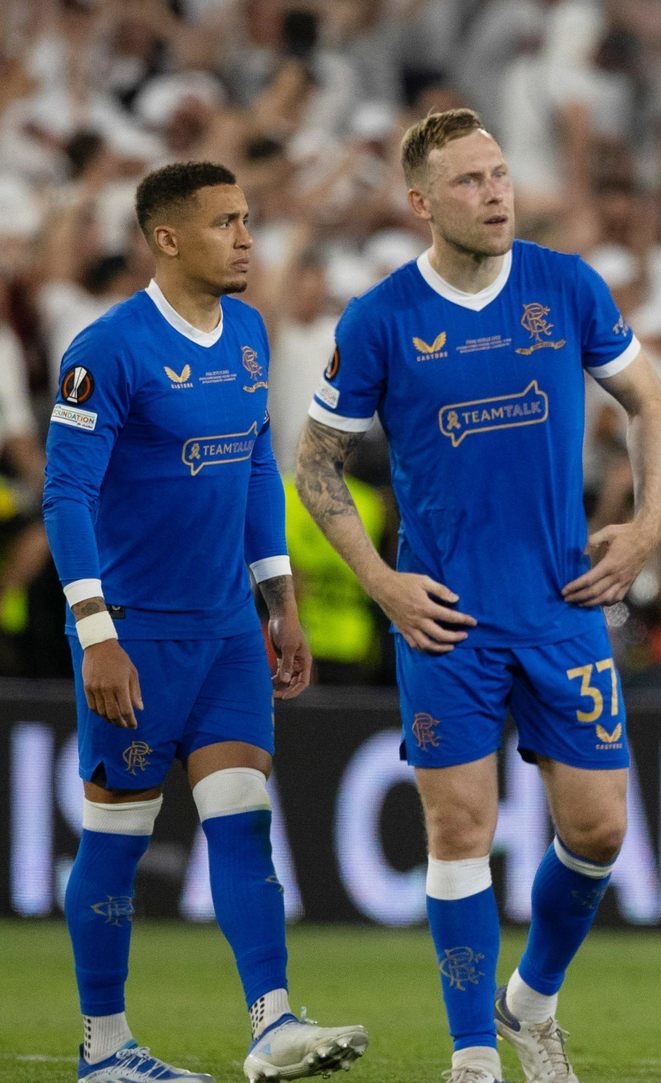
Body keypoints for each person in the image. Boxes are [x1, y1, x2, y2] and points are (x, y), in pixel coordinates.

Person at [294, 108, 661, 1083]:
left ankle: (528, 1004)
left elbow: (649, 400)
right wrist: (381, 583)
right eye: (468, 181)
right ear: (421, 203)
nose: (495, 191)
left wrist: (643, 525)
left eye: (500, 173)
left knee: (599, 831)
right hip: (446, 621)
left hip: (561, 606)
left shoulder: (565, 286)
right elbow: (317, 462)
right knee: (460, 829)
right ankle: (472, 1055)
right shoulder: (380, 317)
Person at [43, 160, 366, 1083]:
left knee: (242, 816)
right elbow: (65, 494)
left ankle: (271, 1021)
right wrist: (96, 633)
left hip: (228, 626)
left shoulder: (252, 333)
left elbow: (258, 467)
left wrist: (281, 600)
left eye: (248, 219)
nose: (246, 238)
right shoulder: (107, 349)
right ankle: (104, 1049)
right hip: (135, 630)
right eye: (225, 222)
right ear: (167, 238)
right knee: (119, 834)